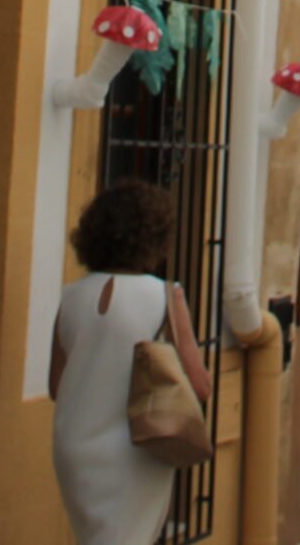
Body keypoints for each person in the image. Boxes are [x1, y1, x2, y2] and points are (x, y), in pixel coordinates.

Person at [49, 182, 211, 545]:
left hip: (75, 447)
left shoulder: (71, 297)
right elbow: (199, 385)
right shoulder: (166, 295)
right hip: (137, 449)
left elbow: (56, 385)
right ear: (154, 237)